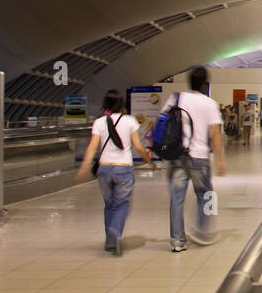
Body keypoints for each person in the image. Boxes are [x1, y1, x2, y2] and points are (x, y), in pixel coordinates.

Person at [75, 89, 155, 255]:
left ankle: (110, 241)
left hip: (104, 169)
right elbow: (139, 147)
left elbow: (92, 146)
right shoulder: (130, 121)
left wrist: (85, 165)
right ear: (121, 104)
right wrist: (149, 162)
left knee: (110, 204)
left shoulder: (99, 122)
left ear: (106, 104)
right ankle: (115, 232)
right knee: (122, 203)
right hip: (123, 168)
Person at [168, 65, 227, 252]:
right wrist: (220, 160)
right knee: (206, 195)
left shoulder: (175, 99)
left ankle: (178, 241)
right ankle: (203, 230)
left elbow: (163, 123)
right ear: (204, 84)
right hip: (200, 157)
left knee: (176, 199)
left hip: (177, 157)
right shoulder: (209, 104)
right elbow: (215, 134)